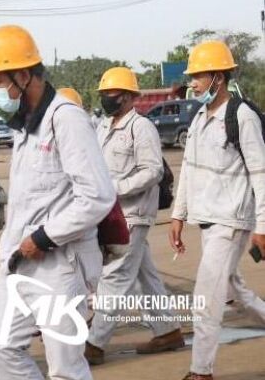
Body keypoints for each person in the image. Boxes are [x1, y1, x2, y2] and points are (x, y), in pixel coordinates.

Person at [0, 24, 115, 380]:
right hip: (20, 261)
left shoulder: (65, 118)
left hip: (59, 264)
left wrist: (43, 237)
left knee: (66, 368)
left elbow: (97, 195)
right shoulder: (24, 125)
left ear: (23, 75)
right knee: (0, 349)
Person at [170, 40, 265, 380]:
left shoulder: (242, 116)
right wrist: (178, 215)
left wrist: (262, 226)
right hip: (207, 220)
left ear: (218, 78)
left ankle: (201, 372)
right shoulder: (198, 117)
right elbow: (189, 169)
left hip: (232, 220)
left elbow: (260, 173)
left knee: (207, 297)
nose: (193, 83)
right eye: (192, 76)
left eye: (198, 76)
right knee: (234, 288)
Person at [85, 67, 184, 365]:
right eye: (103, 94)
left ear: (128, 97)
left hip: (133, 214)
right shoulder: (102, 126)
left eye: (111, 94)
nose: (106, 99)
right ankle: (167, 330)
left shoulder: (141, 128)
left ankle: (94, 343)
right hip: (111, 215)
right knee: (145, 277)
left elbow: (152, 171)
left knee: (114, 277)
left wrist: (115, 189)